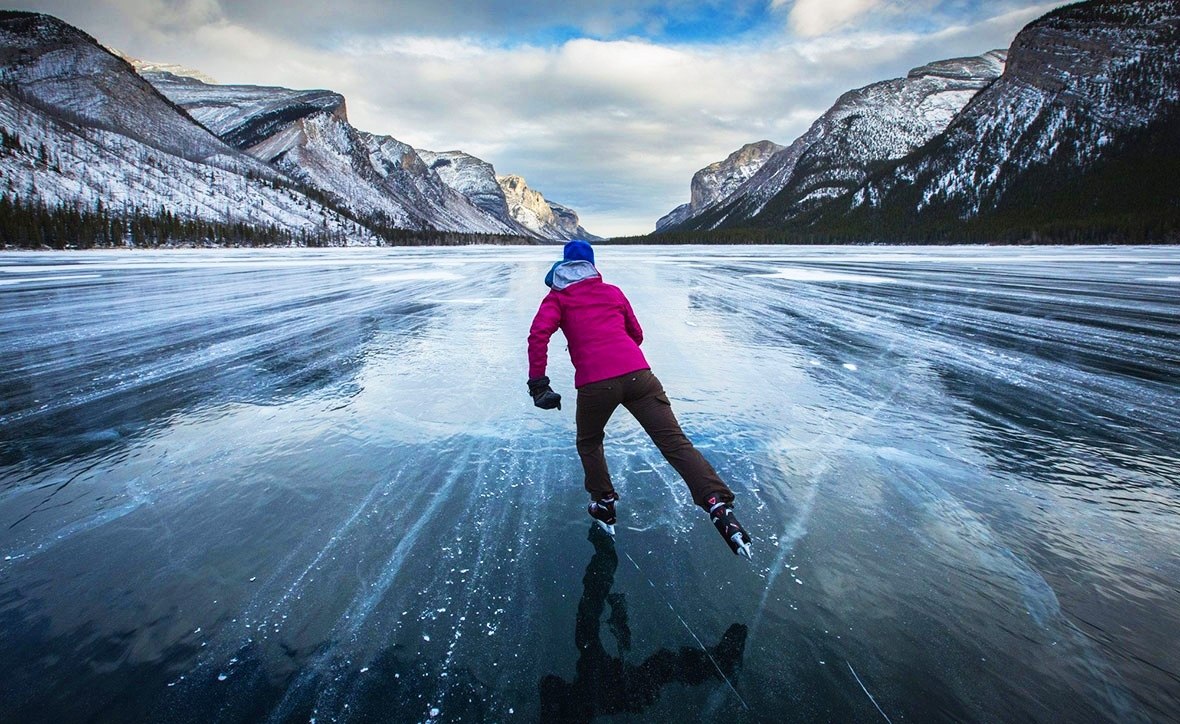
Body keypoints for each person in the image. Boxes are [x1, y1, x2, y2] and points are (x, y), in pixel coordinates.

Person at [526, 240, 751, 558]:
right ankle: (717, 503)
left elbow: (538, 335)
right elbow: (637, 334)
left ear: (564, 266)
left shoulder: (557, 297)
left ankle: (604, 503)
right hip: (639, 376)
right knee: (676, 443)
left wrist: (538, 384)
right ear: (591, 266)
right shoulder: (612, 292)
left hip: (595, 384)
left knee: (589, 442)